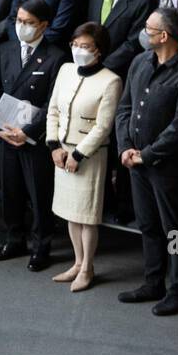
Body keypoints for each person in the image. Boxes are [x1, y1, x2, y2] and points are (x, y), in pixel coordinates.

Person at [115, 6, 178, 315]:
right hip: (136, 161)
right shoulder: (140, 62)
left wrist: (147, 155)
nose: (144, 33)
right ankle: (152, 281)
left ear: (164, 36)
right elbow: (125, 107)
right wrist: (125, 147)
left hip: (168, 167)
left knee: (174, 232)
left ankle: (177, 289)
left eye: (149, 29)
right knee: (148, 224)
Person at [0, 0, 67, 270]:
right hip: (6, 133)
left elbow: (53, 102)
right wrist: (1, 125)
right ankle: (14, 239)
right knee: (10, 191)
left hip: (34, 138)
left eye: (29, 23)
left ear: (43, 25)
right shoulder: (4, 50)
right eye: (19, 21)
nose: (22, 26)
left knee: (38, 194)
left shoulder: (56, 56)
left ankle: (41, 245)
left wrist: (28, 130)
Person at [45, 23, 122, 293]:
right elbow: (53, 108)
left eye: (85, 47)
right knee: (70, 213)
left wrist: (78, 154)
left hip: (88, 155)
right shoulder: (66, 70)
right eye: (75, 45)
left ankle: (88, 267)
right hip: (62, 150)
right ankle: (76, 263)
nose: (79, 51)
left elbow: (103, 126)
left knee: (87, 215)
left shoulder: (111, 80)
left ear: (99, 50)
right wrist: (54, 145)